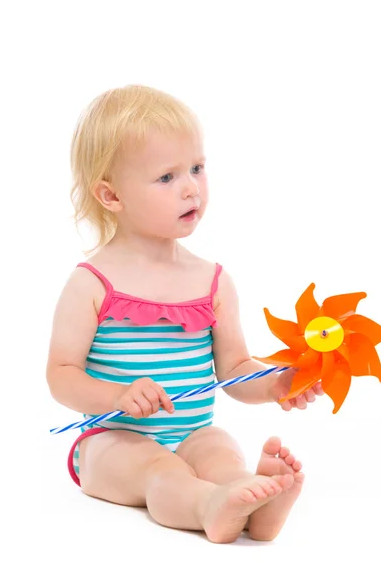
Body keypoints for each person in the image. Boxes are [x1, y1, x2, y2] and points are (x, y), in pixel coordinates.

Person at [46, 85, 324, 543]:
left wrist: (276, 383)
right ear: (111, 196)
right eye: (167, 177)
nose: (191, 187)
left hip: (192, 430)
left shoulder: (212, 282)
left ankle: (252, 502)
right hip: (110, 443)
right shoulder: (93, 283)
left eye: (196, 168)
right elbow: (60, 376)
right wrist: (117, 394)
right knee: (159, 470)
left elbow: (234, 369)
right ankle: (208, 507)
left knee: (219, 452)